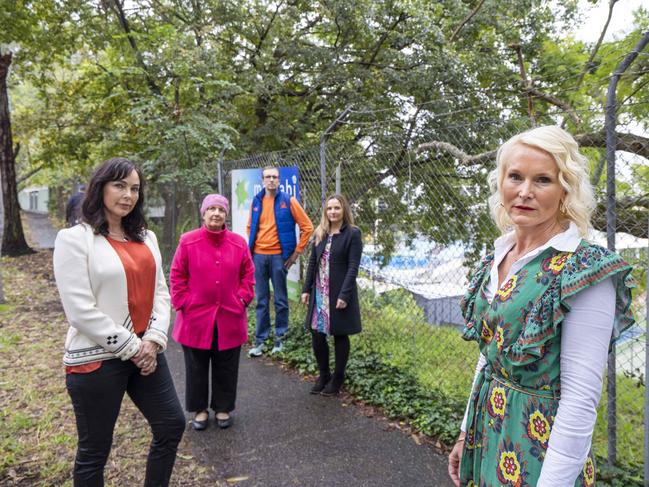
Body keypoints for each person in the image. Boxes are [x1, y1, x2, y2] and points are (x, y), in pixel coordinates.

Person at [447, 126, 635, 487]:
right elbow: (490, 356)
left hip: (543, 452)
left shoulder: (582, 269)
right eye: (515, 176)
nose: (525, 192)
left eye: (543, 180)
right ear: (501, 183)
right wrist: (463, 431)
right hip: (488, 429)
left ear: (566, 189)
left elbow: (580, 400)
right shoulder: (497, 257)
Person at [53, 157, 185, 487]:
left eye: (135, 188)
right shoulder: (74, 240)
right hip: (97, 359)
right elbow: (79, 310)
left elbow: (161, 293)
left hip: (146, 353)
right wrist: (133, 346)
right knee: (94, 451)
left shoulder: (147, 237)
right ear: (101, 188)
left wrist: (153, 341)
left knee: (171, 424)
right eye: (120, 186)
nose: (128, 195)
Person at [170, 194, 255, 431]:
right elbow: (177, 274)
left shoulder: (238, 243)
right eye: (212, 209)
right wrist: (183, 302)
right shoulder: (188, 241)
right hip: (195, 317)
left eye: (221, 209)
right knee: (196, 366)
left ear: (226, 214)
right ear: (203, 213)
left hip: (229, 315)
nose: (216, 213)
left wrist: (241, 299)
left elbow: (248, 276)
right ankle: (199, 410)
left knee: (226, 365)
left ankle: (223, 407)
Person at [247, 166, 313, 356]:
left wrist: (295, 254)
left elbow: (307, 227)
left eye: (275, 177)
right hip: (258, 257)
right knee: (261, 300)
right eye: (268, 177)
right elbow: (251, 226)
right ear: (262, 180)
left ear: (279, 180)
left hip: (279, 258)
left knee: (281, 301)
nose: (271, 180)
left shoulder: (288, 200)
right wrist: (253, 250)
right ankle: (260, 341)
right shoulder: (257, 201)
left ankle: (280, 339)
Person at [300, 194, 362, 395]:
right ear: (325, 211)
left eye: (337, 208)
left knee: (339, 334)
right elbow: (312, 263)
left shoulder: (352, 234)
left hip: (338, 293)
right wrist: (306, 289)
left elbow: (353, 267)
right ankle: (324, 374)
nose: (333, 212)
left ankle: (338, 378)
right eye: (329, 208)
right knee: (317, 333)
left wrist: (344, 294)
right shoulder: (320, 233)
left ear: (344, 210)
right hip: (319, 291)